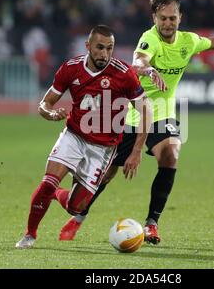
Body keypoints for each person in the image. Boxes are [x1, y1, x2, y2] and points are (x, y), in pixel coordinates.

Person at [58, 0, 214, 245]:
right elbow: (138, 62)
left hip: (163, 113)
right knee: (107, 174)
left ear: (180, 17)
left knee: (171, 154)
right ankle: (79, 217)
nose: (167, 23)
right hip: (130, 114)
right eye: (162, 18)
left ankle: (152, 223)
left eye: (172, 18)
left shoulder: (188, 41)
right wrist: (149, 68)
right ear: (154, 18)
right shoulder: (148, 39)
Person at [15, 25, 152, 249]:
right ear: (87, 46)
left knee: (75, 207)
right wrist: (50, 114)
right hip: (74, 136)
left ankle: (56, 194)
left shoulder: (123, 74)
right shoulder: (70, 69)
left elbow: (146, 110)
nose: (105, 54)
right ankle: (30, 234)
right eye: (100, 47)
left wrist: (136, 151)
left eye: (110, 48)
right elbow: (45, 103)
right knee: (47, 183)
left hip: (104, 148)